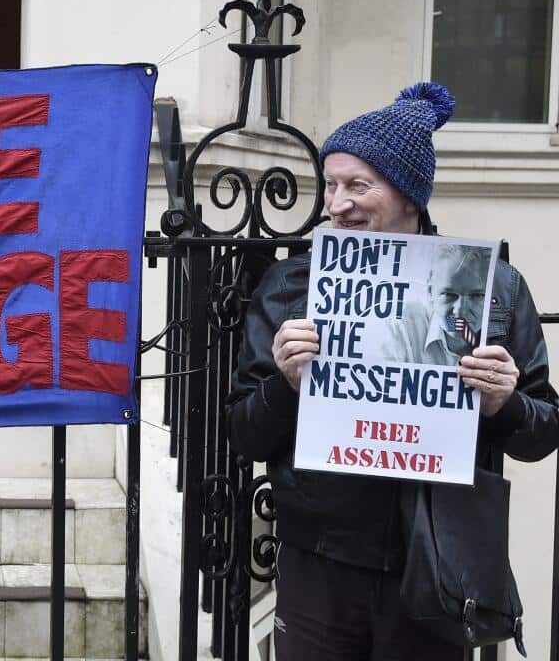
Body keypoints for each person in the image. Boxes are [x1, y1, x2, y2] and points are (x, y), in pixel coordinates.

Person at [227, 82, 559, 659]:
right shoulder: (293, 285)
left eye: (359, 185)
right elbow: (244, 433)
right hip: (320, 561)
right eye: (331, 185)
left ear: (409, 195)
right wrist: (284, 384)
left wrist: (508, 400)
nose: (337, 204)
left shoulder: (492, 290)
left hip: (434, 563)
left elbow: (542, 433)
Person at [382, 243, 492, 364]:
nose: (460, 311)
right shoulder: (403, 326)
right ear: (430, 291)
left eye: (477, 296)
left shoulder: (507, 331)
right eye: (448, 294)